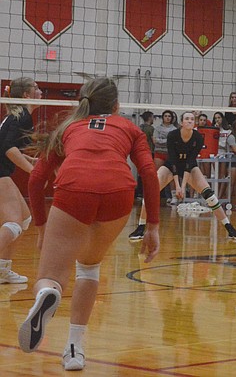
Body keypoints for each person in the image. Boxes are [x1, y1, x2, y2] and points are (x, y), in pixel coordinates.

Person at [22, 78, 160, 370]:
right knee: (89, 267)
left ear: (82, 102)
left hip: (75, 188)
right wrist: (153, 226)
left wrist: (41, 226)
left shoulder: (68, 128)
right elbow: (148, 173)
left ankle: (50, 292)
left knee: (50, 276)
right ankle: (74, 348)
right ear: (117, 106)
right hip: (119, 193)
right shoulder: (131, 128)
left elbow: (36, 180)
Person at [130, 111, 236, 240]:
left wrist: (183, 186)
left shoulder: (198, 137)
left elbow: (190, 162)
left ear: (195, 123)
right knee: (150, 192)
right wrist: (177, 186)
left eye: (192, 119)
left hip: (190, 167)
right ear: (181, 122)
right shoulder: (173, 135)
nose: (189, 121)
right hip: (171, 166)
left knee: (210, 196)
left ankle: (229, 228)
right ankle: (141, 227)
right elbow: (173, 159)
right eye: (187, 119)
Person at [0, 78, 41, 284]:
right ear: (26, 95)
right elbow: (8, 149)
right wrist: (34, 171)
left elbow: (6, 146)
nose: (41, 92)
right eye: (36, 89)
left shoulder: (16, 116)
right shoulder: (22, 116)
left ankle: (2, 270)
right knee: (13, 223)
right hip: (0, 172)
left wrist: (29, 160)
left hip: (3, 171)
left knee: (23, 220)